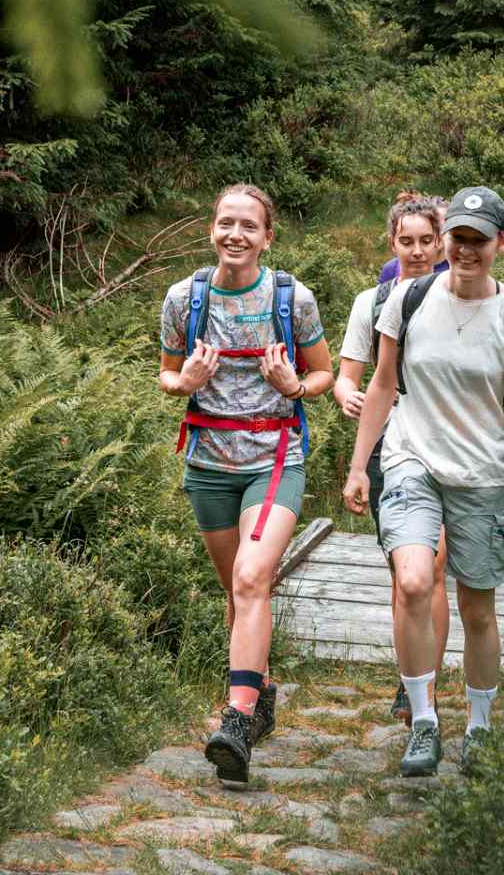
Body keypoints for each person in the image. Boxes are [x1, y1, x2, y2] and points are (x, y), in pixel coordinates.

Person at [343, 185, 504, 777]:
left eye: (478, 240)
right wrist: (361, 466)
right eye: (457, 237)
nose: (464, 250)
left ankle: (479, 727)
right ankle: (425, 719)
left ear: (500, 244)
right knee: (411, 581)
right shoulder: (406, 299)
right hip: (411, 459)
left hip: (481, 473)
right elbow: (382, 386)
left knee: (478, 608)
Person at [158, 184, 334, 785]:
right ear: (212, 229)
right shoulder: (185, 298)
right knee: (237, 594)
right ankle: (260, 697)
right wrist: (185, 382)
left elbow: (324, 375)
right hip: (208, 463)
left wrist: (292, 385)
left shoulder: (293, 298)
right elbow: (165, 373)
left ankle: (234, 721)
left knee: (252, 578)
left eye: (248, 226)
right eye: (225, 223)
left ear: (267, 237)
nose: (236, 234)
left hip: (274, 457)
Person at [334, 192, 451, 724]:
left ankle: (426, 687)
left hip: (449, 444)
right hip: (388, 445)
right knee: (405, 573)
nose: (418, 250)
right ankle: (411, 677)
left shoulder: (463, 297)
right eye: (407, 241)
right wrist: (344, 394)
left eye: (427, 240)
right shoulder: (373, 302)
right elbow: (349, 374)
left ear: (441, 241)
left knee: (435, 567)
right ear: (392, 242)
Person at [377, 195, 450, 284]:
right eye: (406, 243)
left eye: (426, 241)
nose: (417, 252)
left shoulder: (455, 285)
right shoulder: (375, 295)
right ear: (392, 243)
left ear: (438, 240)